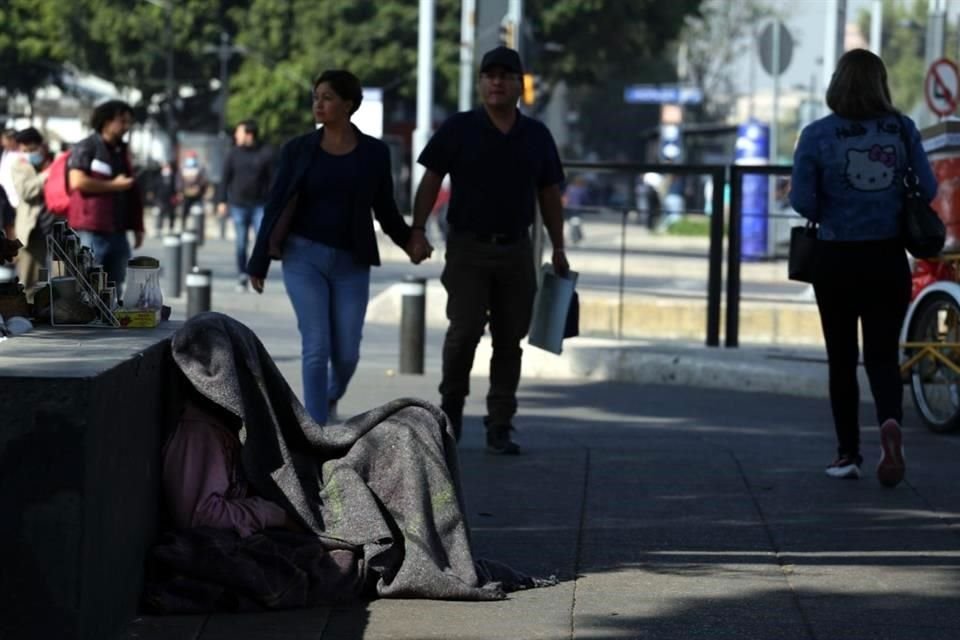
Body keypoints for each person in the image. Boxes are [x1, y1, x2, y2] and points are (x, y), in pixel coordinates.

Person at [408, 46, 568, 454]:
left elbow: (549, 193)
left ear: (520, 84)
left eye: (505, 75)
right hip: (468, 248)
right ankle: (451, 412)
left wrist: (560, 247)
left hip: (517, 249)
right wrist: (417, 229)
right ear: (480, 83)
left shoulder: (536, 136)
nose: (496, 81)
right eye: (489, 75)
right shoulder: (459, 128)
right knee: (463, 331)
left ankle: (500, 423)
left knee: (509, 338)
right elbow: (431, 179)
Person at [789, 49, 937, 486]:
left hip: (834, 259)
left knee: (841, 358)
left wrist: (835, 204)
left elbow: (802, 201)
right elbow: (926, 188)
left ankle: (847, 453)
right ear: (881, 84)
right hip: (888, 258)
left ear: (837, 83)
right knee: (881, 356)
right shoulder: (902, 129)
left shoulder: (817, 135)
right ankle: (890, 424)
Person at [246, 70, 426, 425]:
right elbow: (276, 204)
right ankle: (315, 427)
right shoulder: (297, 150)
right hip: (303, 257)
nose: (318, 104)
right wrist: (259, 262)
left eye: (327, 98)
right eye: (316, 97)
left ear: (348, 104)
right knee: (316, 347)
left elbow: (385, 207)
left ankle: (329, 395)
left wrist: (409, 241)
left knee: (347, 353)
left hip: (351, 261)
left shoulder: (374, 153)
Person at [67, 100, 144, 300]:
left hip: (117, 230)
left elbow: (132, 190)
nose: (127, 127)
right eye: (122, 121)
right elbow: (77, 181)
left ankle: (110, 321)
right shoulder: (87, 146)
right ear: (107, 121)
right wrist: (114, 186)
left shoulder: (121, 151)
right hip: (91, 229)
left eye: (129, 122)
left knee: (114, 284)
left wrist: (138, 226)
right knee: (87, 283)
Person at [216, 120, 272, 292]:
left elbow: (273, 181)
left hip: (259, 205)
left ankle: (256, 273)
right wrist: (221, 201)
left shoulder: (266, 153)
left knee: (261, 242)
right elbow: (225, 179)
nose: (235, 136)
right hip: (238, 205)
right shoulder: (232, 154)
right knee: (240, 243)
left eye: (238, 132)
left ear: (249, 134)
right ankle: (242, 274)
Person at [9, 127, 51, 287]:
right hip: (33, 230)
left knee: (53, 277)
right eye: (25, 150)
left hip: (54, 228)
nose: (28, 153)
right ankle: (29, 309)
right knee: (30, 279)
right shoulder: (19, 165)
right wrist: (46, 175)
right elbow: (26, 191)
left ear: (41, 146)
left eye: (32, 149)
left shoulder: (52, 161)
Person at [177, 150, 208, 230]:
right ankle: (183, 227)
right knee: (184, 212)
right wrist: (180, 191)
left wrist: (199, 187)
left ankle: (198, 228)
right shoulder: (182, 168)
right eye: (189, 157)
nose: (191, 159)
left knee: (198, 211)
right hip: (186, 194)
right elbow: (179, 181)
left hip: (197, 195)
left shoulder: (200, 168)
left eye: (192, 157)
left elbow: (204, 180)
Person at [1, 128, 20, 240]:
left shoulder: (20, 155)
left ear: (12, 140)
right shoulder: (5, 153)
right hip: (4, 198)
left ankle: (14, 253)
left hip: (15, 201)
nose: (2, 142)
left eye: (4, 139)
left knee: (12, 229)